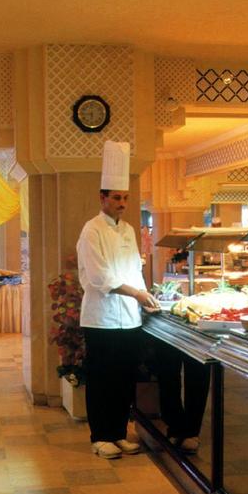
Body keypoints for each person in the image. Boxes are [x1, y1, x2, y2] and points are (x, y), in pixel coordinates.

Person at [77, 141, 159, 460]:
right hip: (101, 319)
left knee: (125, 379)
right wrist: (137, 293)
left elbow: (133, 270)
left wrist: (145, 298)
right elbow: (100, 278)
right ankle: (101, 436)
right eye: (116, 198)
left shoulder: (127, 230)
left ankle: (119, 433)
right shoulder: (91, 230)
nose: (122, 203)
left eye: (125, 198)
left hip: (130, 319)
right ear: (103, 198)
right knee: (102, 380)